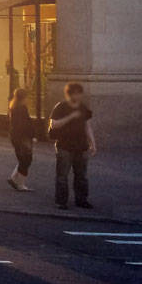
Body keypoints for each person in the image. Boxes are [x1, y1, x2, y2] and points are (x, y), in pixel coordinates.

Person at [48, 82, 96, 210]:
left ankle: (81, 200)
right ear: (68, 94)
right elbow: (54, 124)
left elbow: (87, 126)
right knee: (62, 176)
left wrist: (92, 143)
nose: (77, 96)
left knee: (81, 176)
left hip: (81, 146)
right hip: (64, 146)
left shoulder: (83, 108)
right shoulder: (61, 107)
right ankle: (61, 201)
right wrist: (70, 117)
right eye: (74, 93)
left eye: (79, 93)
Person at [7, 88, 36, 192]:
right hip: (23, 137)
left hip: (15, 137)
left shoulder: (13, 106)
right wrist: (31, 135)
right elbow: (25, 124)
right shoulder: (22, 108)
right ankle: (20, 183)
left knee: (22, 159)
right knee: (26, 160)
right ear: (24, 98)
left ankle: (14, 178)